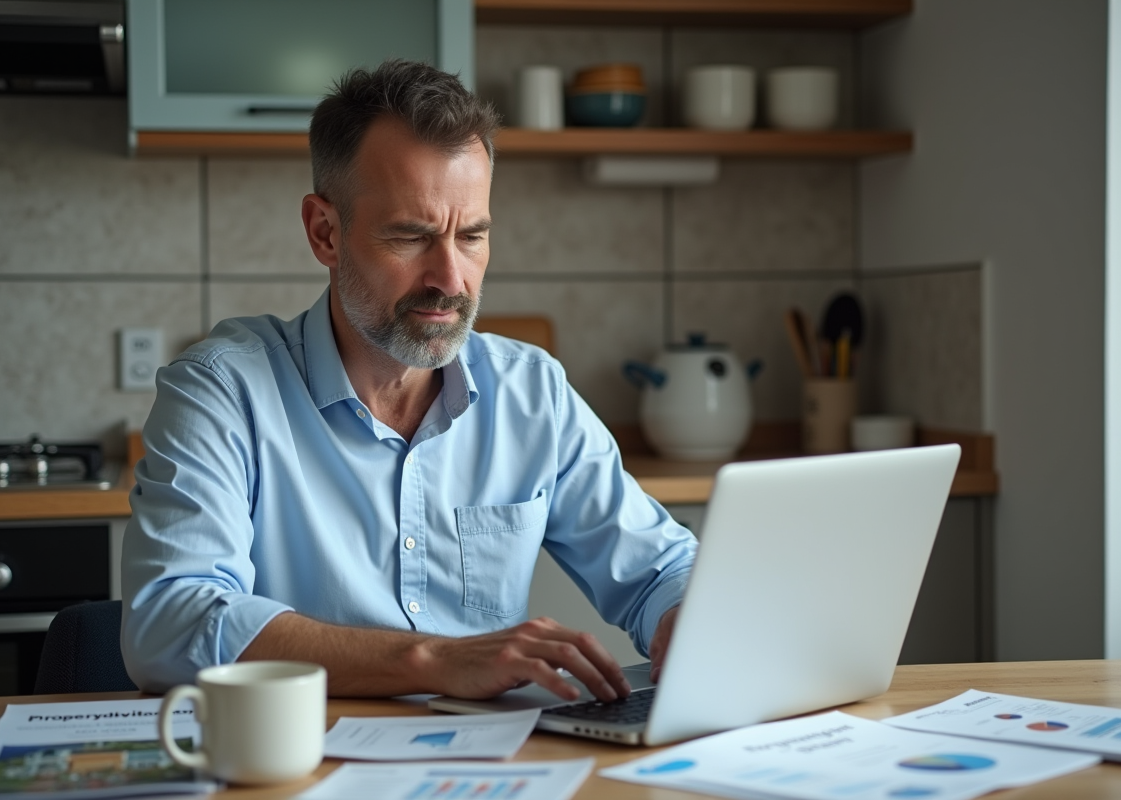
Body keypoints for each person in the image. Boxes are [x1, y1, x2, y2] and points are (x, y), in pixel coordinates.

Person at [120, 60, 697, 703]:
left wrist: (686, 617)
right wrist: (428, 660)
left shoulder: (531, 392)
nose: (450, 280)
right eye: (410, 236)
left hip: (495, 766)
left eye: (472, 236)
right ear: (325, 232)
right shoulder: (223, 392)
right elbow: (169, 624)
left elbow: (663, 569)